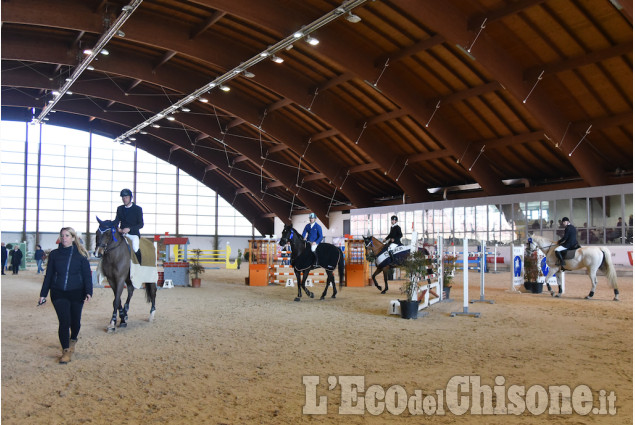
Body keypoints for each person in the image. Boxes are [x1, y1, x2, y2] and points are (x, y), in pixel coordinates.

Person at [39, 227, 92, 364]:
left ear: (73, 238)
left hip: (77, 293)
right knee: (64, 322)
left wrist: (88, 291)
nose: (64, 238)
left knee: (75, 323)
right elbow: (49, 275)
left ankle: (73, 338)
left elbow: (87, 275)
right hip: (58, 292)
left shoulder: (81, 254)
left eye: (67, 235)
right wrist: (43, 294)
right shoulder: (55, 254)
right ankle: (66, 351)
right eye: (62, 235)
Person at [113, 188, 144, 264]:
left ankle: (140, 264)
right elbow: (116, 221)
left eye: (126, 197)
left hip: (133, 234)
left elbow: (141, 224)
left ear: (130, 198)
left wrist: (129, 229)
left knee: (135, 248)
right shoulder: (120, 209)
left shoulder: (137, 209)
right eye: (123, 198)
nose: (124, 199)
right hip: (122, 234)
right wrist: (118, 228)